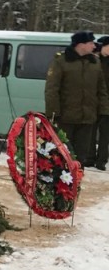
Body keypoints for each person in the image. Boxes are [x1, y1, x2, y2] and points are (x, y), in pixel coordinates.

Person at [44, 30, 109, 167]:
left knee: (81, 157)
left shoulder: (94, 62)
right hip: (66, 118)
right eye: (91, 43)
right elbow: (52, 89)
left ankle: (75, 184)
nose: (94, 46)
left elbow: (101, 90)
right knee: (62, 153)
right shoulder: (61, 61)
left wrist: (104, 111)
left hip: (87, 119)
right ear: (81, 45)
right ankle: (60, 184)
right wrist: (53, 113)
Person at [90, 35, 109, 171]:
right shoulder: (94, 61)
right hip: (93, 103)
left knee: (105, 133)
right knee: (91, 131)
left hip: (107, 103)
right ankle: (90, 158)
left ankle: (101, 160)